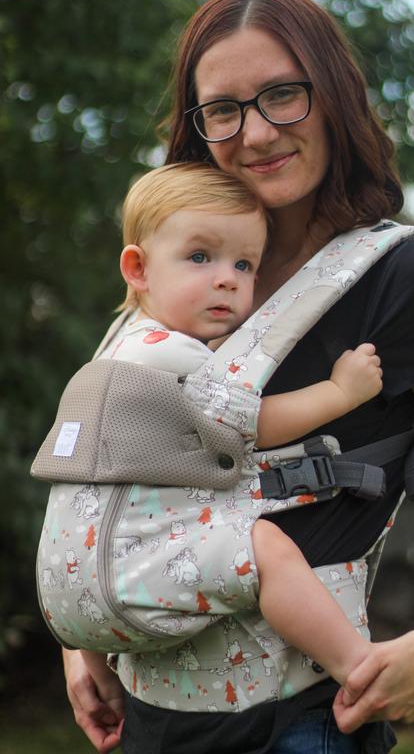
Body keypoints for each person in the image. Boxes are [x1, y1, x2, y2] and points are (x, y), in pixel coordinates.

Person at [61, 0, 414, 754]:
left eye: (282, 95)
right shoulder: (177, 269)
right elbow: (109, 470)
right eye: (222, 109)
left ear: (335, 93)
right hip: (147, 720)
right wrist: (81, 640)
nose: (254, 133)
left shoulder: (403, 278)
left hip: (300, 721)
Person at [72, 160, 383, 718]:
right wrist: (341, 393)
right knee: (265, 550)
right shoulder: (170, 352)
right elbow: (250, 425)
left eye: (244, 263)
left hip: (86, 566)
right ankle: (359, 668)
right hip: (146, 552)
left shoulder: (119, 347)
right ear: (138, 269)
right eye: (200, 257)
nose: (227, 278)